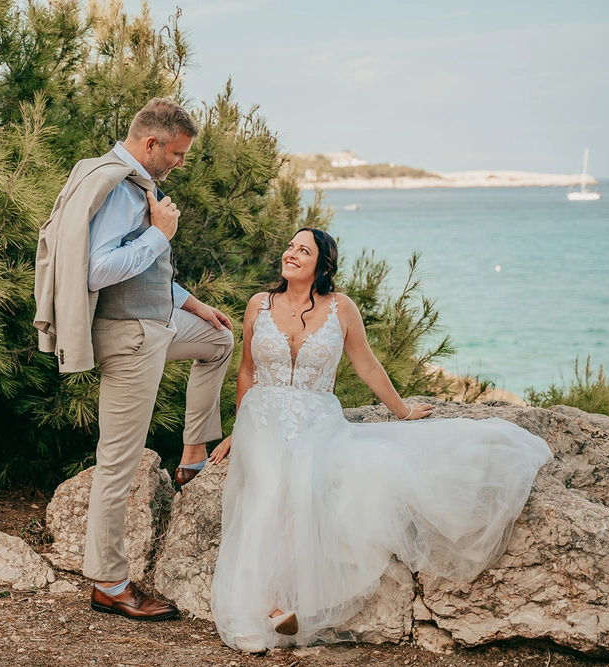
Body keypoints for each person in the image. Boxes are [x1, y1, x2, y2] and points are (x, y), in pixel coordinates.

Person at [208, 228, 552, 653]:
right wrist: (237, 429)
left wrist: (403, 410)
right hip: (261, 417)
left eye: (304, 250)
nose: (291, 254)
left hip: (317, 419)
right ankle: (256, 610)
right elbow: (246, 371)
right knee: (268, 491)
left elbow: (368, 367)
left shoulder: (342, 309)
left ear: (322, 265)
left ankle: (286, 604)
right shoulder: (258, 305)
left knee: (304, 487)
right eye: (291, 247)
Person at [34, 99, 234, 622]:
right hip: (130, 338)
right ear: (151, 144)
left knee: (218, 342)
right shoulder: (121, 187)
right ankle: (110, 583)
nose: (181, 162)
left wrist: (193, 304)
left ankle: (193, 457)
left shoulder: (123, 181)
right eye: (178, 152)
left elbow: (147, 274)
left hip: (155, 323)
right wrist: (159, 234)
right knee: (118, 464)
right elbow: (99, 270)